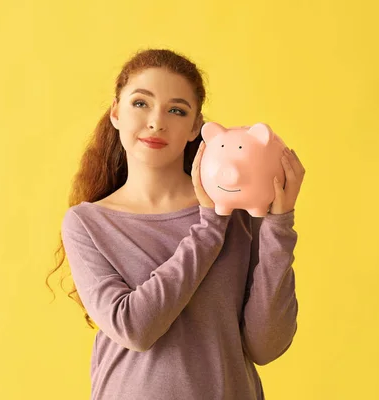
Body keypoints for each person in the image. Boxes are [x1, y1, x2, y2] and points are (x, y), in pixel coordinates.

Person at [46, 48, 306, 400]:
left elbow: (266, 346)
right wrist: (209, 228)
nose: (157, 121)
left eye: (177, 110)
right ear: (116, 112)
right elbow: (133, 327)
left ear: (196, 127)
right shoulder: (88, 224)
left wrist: (278, 225)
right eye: (141, 103)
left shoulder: (241, 214)